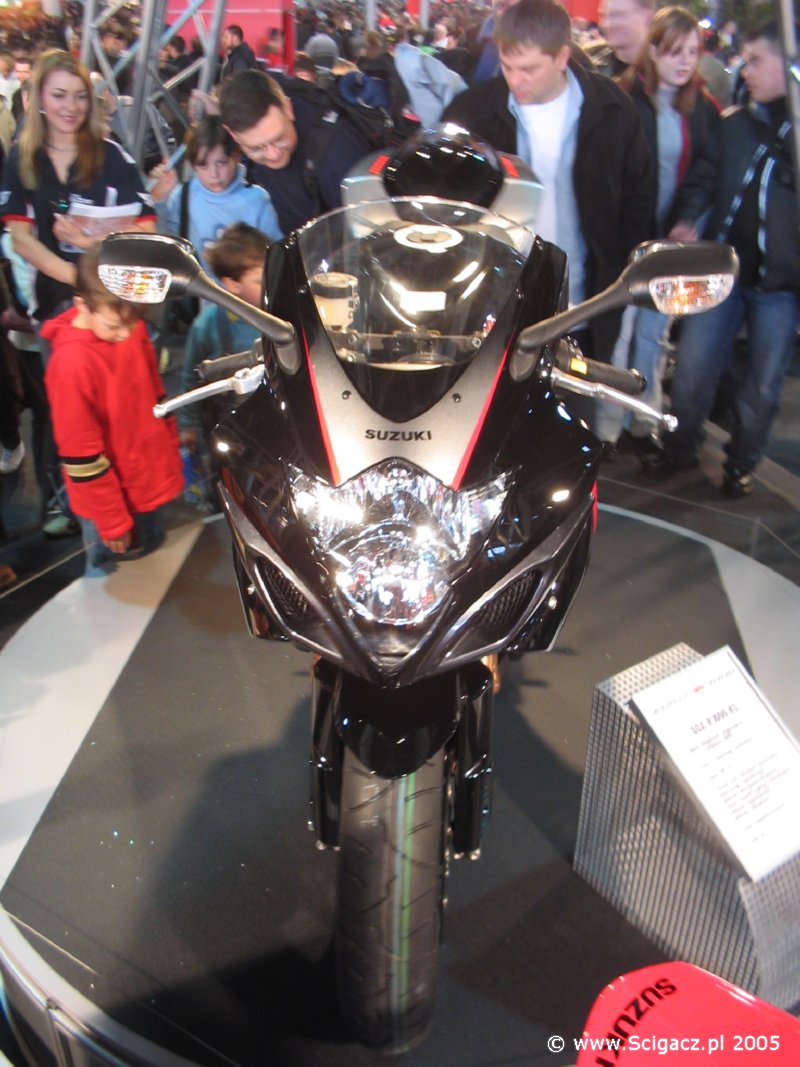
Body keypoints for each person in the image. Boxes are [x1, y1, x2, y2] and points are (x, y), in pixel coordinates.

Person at [443, 0, 653, 364]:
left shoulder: (613, 110)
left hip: (585, 305)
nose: (515, 80)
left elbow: (638, 199)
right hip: (494, 308)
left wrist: (620, 275)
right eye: (507, 67)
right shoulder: (471, 112)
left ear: (561, 57)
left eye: (529, 69)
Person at [0, 49, 157, 536]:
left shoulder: (113, 156)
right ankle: (75, 511)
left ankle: (134, 506)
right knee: (70, 417)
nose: (70, 106)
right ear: (38, 98)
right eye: (59, 95)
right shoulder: (21, 160)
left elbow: (145, 227)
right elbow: (22, 239)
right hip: (58, 310)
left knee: (127, 409)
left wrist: (90, 243)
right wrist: (80, 279)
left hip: (118, 305)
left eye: (79, 96)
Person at [642, 19, 800, 498]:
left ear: (787, 64)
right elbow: (703, 179)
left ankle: (741, 464)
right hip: (722, 273)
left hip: (780, 287)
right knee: (692, 368)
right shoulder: (734, 124)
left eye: (756, 61)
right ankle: (679, 446)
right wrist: (688, 219)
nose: (745, 70)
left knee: (763, 387)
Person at [597, 6, 721, 455]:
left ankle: (642, 420)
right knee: (619, 331)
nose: (685, 61)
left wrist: (689, 219)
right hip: (626, 237)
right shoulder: (622, 97)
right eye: (674, 51)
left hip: (672, 240)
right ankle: (607, 426)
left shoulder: (703, 108)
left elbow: (706, 173)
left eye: (692, 51)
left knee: (654, 334)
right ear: (653, 50)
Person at [41, 244, 183, 576]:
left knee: (155, 567)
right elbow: (80, 455)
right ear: (82, 304)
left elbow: (154, 394)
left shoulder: (130, 327)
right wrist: (112, 521)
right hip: (112, 505)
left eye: (133, 323)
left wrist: (171, 443)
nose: (126, 334)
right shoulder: (71, 364)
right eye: (114, 326)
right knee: (120, 580)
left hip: (146, 481)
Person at [178, 223, 271, 508]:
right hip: (232, 429)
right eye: (260, 280)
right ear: (232, 285)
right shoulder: (208, 325)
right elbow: (191, 377)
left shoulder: (284, 313)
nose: (271, 283)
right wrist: (188, 425)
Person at [216, 69, 371, 233]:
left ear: (288, 108)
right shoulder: (253, 104)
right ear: (233, 134)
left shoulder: (338, 154)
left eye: (279, 138)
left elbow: (368, 232)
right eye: (257, 148)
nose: (273, 155)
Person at [160, 115, 282, 279]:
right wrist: (159, 202)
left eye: (221, 163)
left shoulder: (258, 200)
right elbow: (169, 248)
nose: (214, 174)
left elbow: (275, 258)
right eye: (203, 165)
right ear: (193, 165)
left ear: (236, 157)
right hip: (201, 292)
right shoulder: (182, 196)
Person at [385, 26, 466, 128]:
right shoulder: (420, 58)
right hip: (426, 120)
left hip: (404, 119)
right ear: (404, 40)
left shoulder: (398, 62)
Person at [595, 0, 655, 78]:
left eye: (617, 15)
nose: (607, 24)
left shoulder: (666, 68)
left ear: (647, 16)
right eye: (603, 16)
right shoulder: (589, 64)